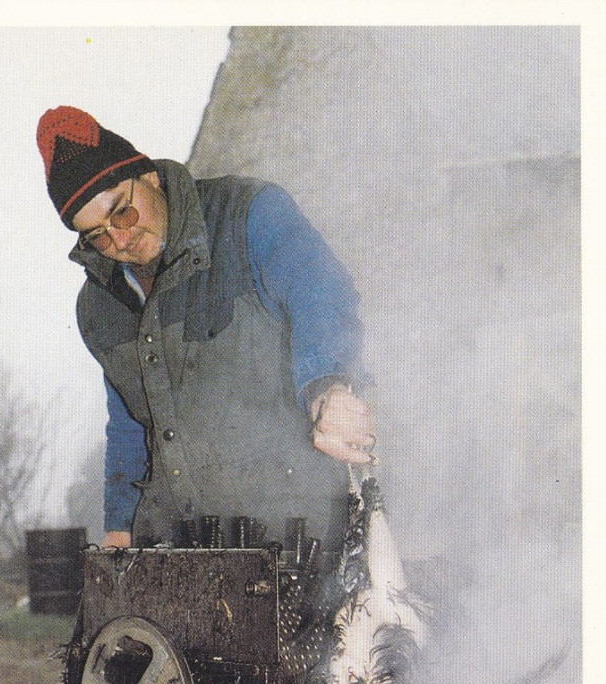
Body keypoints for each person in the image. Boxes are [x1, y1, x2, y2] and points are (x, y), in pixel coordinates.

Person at [36, 106, 375, 556]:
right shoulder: (98, 306)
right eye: (96, 235)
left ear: (149, 177)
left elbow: (321, 293)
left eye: (121, 214)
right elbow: (128, 419)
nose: (118, 241)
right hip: (178, 544)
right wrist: (120, 524)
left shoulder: (249, 216)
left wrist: (327, 388)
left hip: (304, 537)